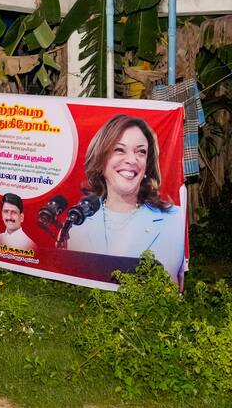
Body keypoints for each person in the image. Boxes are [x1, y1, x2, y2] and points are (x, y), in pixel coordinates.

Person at [67, 114, 185, 283]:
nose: (132, 160)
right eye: (119, 149)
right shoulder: (78, 221)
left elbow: (174, 284)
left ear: (147, 165)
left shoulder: (175, 220)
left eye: (141, 152)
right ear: (101, 161)